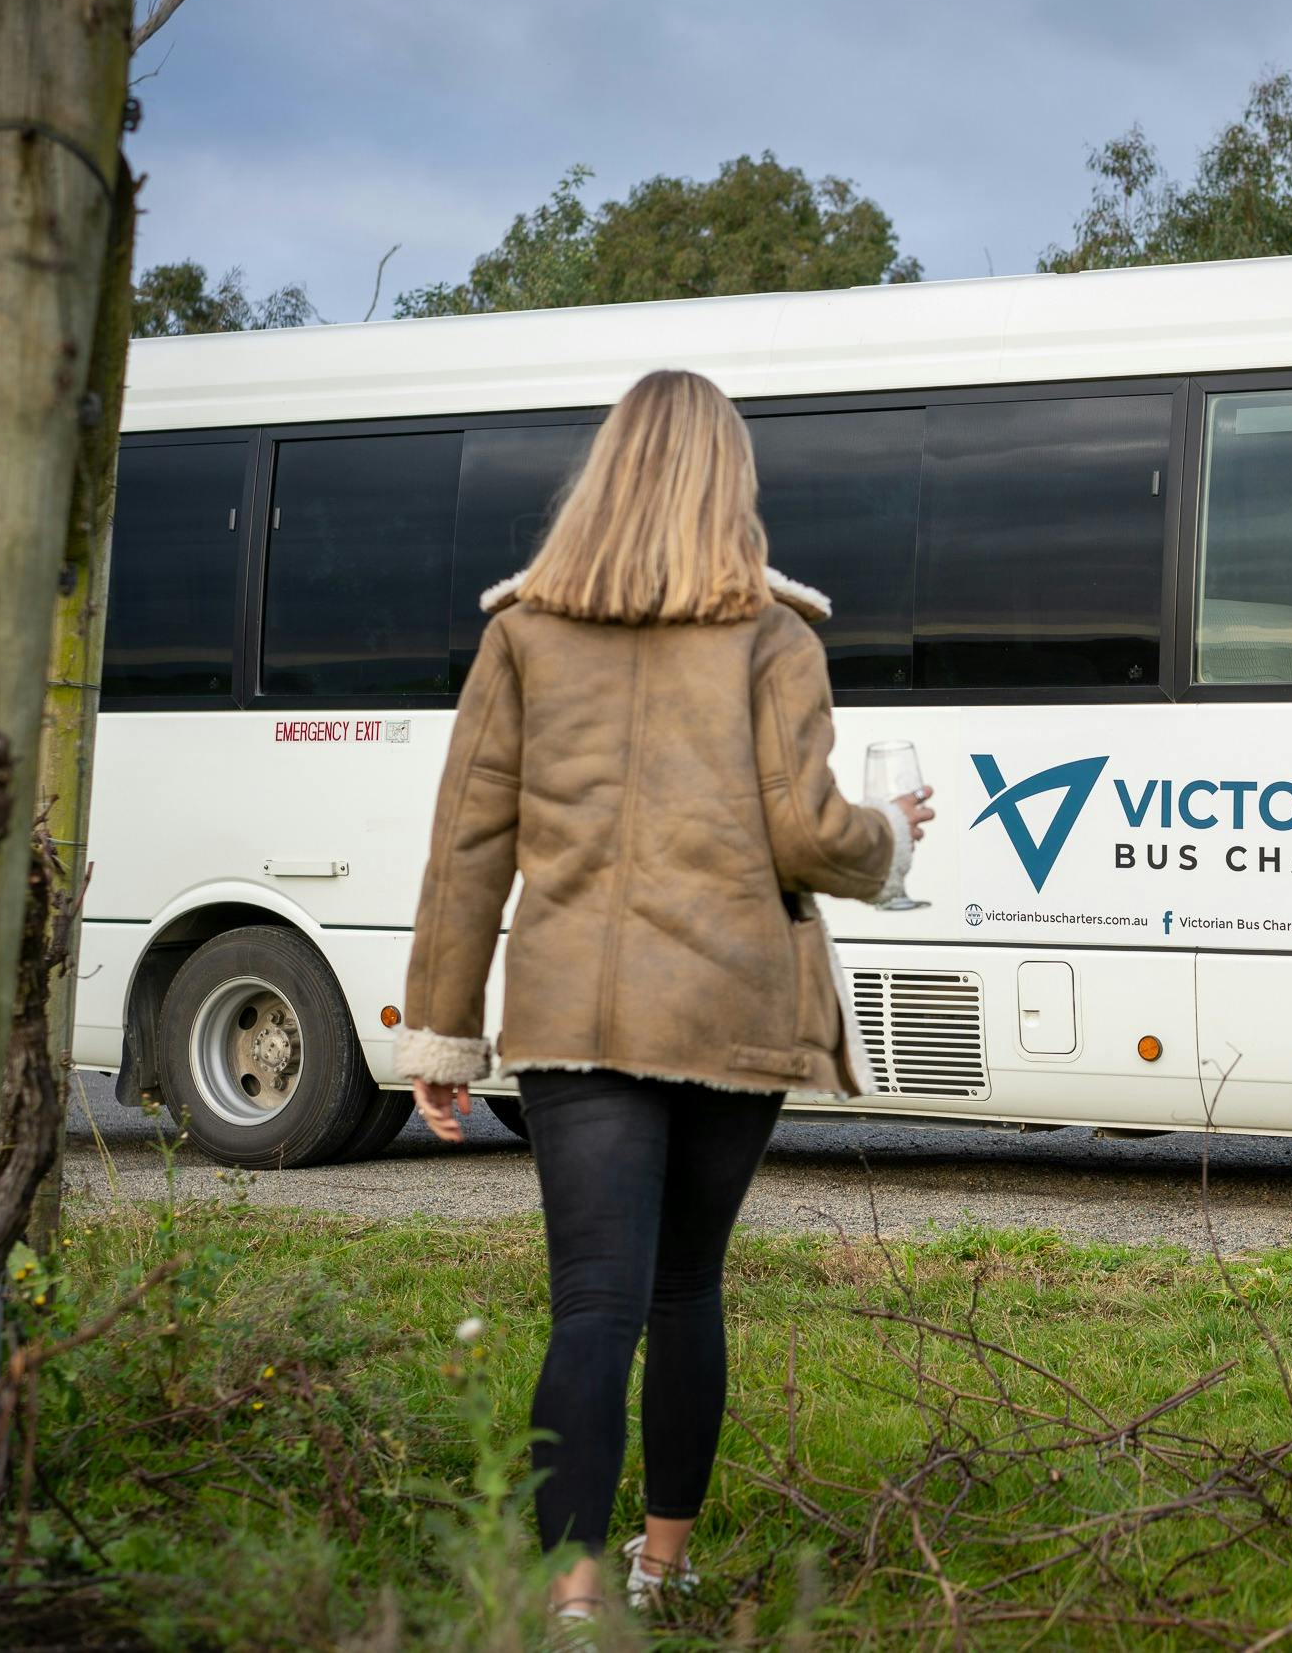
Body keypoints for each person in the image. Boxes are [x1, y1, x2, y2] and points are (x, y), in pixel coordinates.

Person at [391, 369, 931, 1635]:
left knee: (592, 1300)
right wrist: (888, 838)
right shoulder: (773, 637)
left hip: (575, 1008)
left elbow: (466, 844)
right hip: (731, 1004)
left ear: (604, 477)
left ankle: (572, 1597)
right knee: (686, 1290)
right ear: (729, 484)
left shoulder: (522, 635)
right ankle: (664, 1567)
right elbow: (805, 835)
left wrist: (441, 1029)